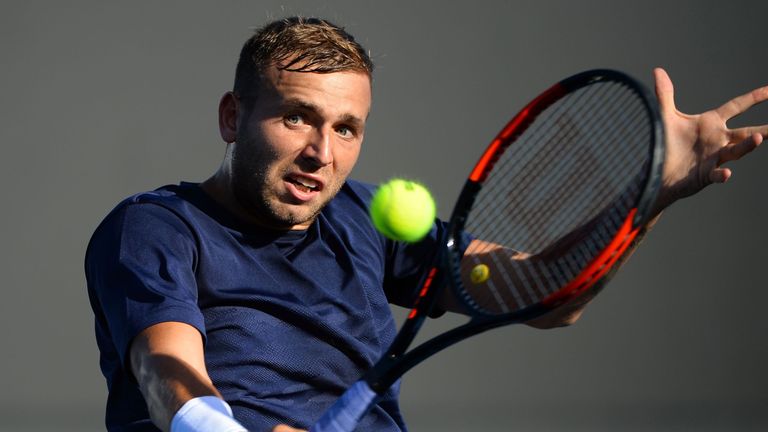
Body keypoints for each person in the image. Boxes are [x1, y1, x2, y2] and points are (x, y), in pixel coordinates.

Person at [85, 16, 767, 432]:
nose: (322, 152)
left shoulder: (369, 220)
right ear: (233, 117)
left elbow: (549, 296)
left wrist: (653, 191)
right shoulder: (157, 227)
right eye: (296, 116)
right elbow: (162, 366)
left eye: (346, 127)